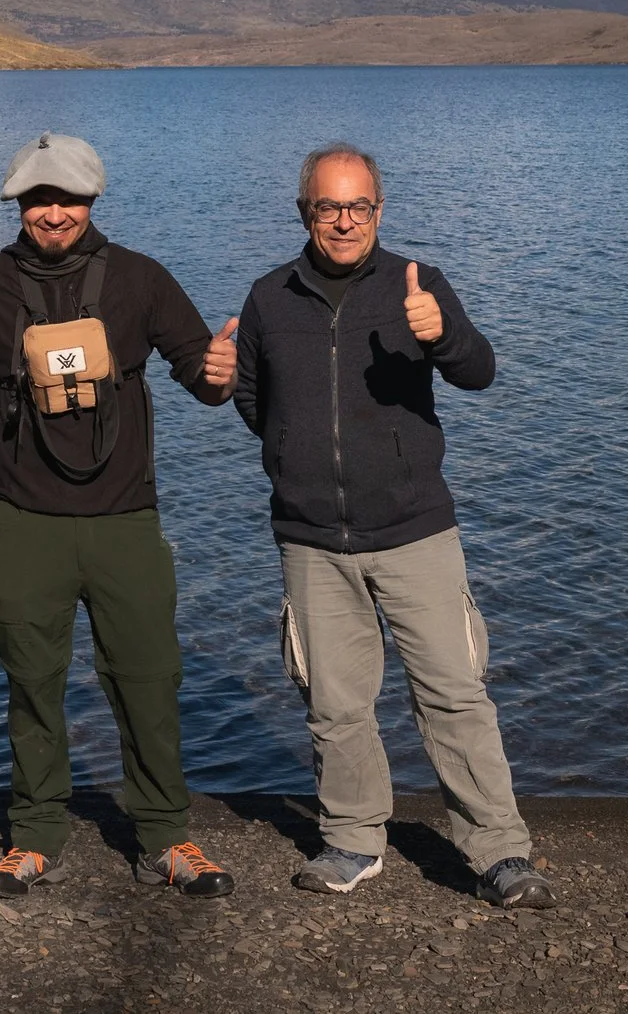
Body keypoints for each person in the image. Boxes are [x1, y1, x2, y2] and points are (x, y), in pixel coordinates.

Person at [0, 132, 240, 899]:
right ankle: (36, 835)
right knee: (32, 682)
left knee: (148, 677)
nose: (54, 213)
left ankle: (166, 835)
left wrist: (220, 373)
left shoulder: (142, 280)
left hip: (124, 518)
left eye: (67, 198)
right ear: (19, 206)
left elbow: (204, 383)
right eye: (39, 200)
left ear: (92, 199)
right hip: (21, 521)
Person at [229, 142, 552, 907]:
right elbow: (250, 399)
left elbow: (480, 371)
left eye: (359, 207)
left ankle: (498, 851)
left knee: (452, 692)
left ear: (379, 209)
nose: (344, 222)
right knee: (335, 702)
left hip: (414, 531)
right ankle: (351, 839)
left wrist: (442, 335)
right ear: (304, 211)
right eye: (328, 207)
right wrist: (290, 451)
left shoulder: (419, 285)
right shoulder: (270, 298)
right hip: (311, 538)